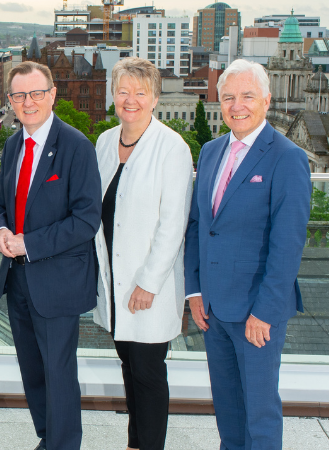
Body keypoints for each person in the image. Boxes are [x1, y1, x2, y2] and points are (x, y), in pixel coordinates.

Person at [184, 59, 311, 450]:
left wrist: (266, 311)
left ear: (267, 100)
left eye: (247, 96)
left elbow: (287, 243)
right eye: (228, 97)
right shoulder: (209, 151)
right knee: (228, 410)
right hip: (214, 310)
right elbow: (197, 225)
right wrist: (194, 291)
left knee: (260, 414)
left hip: (257, 311)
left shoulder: (287, 157)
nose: (237, 106)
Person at [0, 61, 102, 450]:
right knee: (33, 371)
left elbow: (87, 220)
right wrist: (2, 231)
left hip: (57, 282)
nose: (29, 101)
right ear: (11, 100)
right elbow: (2, 206)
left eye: (37, 93)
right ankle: (47, 437)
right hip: (18, 279)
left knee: (58, 372)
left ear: (53, 94)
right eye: (20, 95)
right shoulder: (12, 145)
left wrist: (30, 244)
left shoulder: (76, 147)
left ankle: (64, 443)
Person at [92, 57, 193, 450]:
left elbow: (173, 224)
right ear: (112, 96)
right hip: (114, 285)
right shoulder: (104, 142)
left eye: (140, 92)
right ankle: (135, 444)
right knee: (129, 368)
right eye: (123, 91)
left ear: (154, 98)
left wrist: (148, 283)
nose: (130, 99)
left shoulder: (172, 148)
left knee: (149, 374)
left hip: (148, 287)